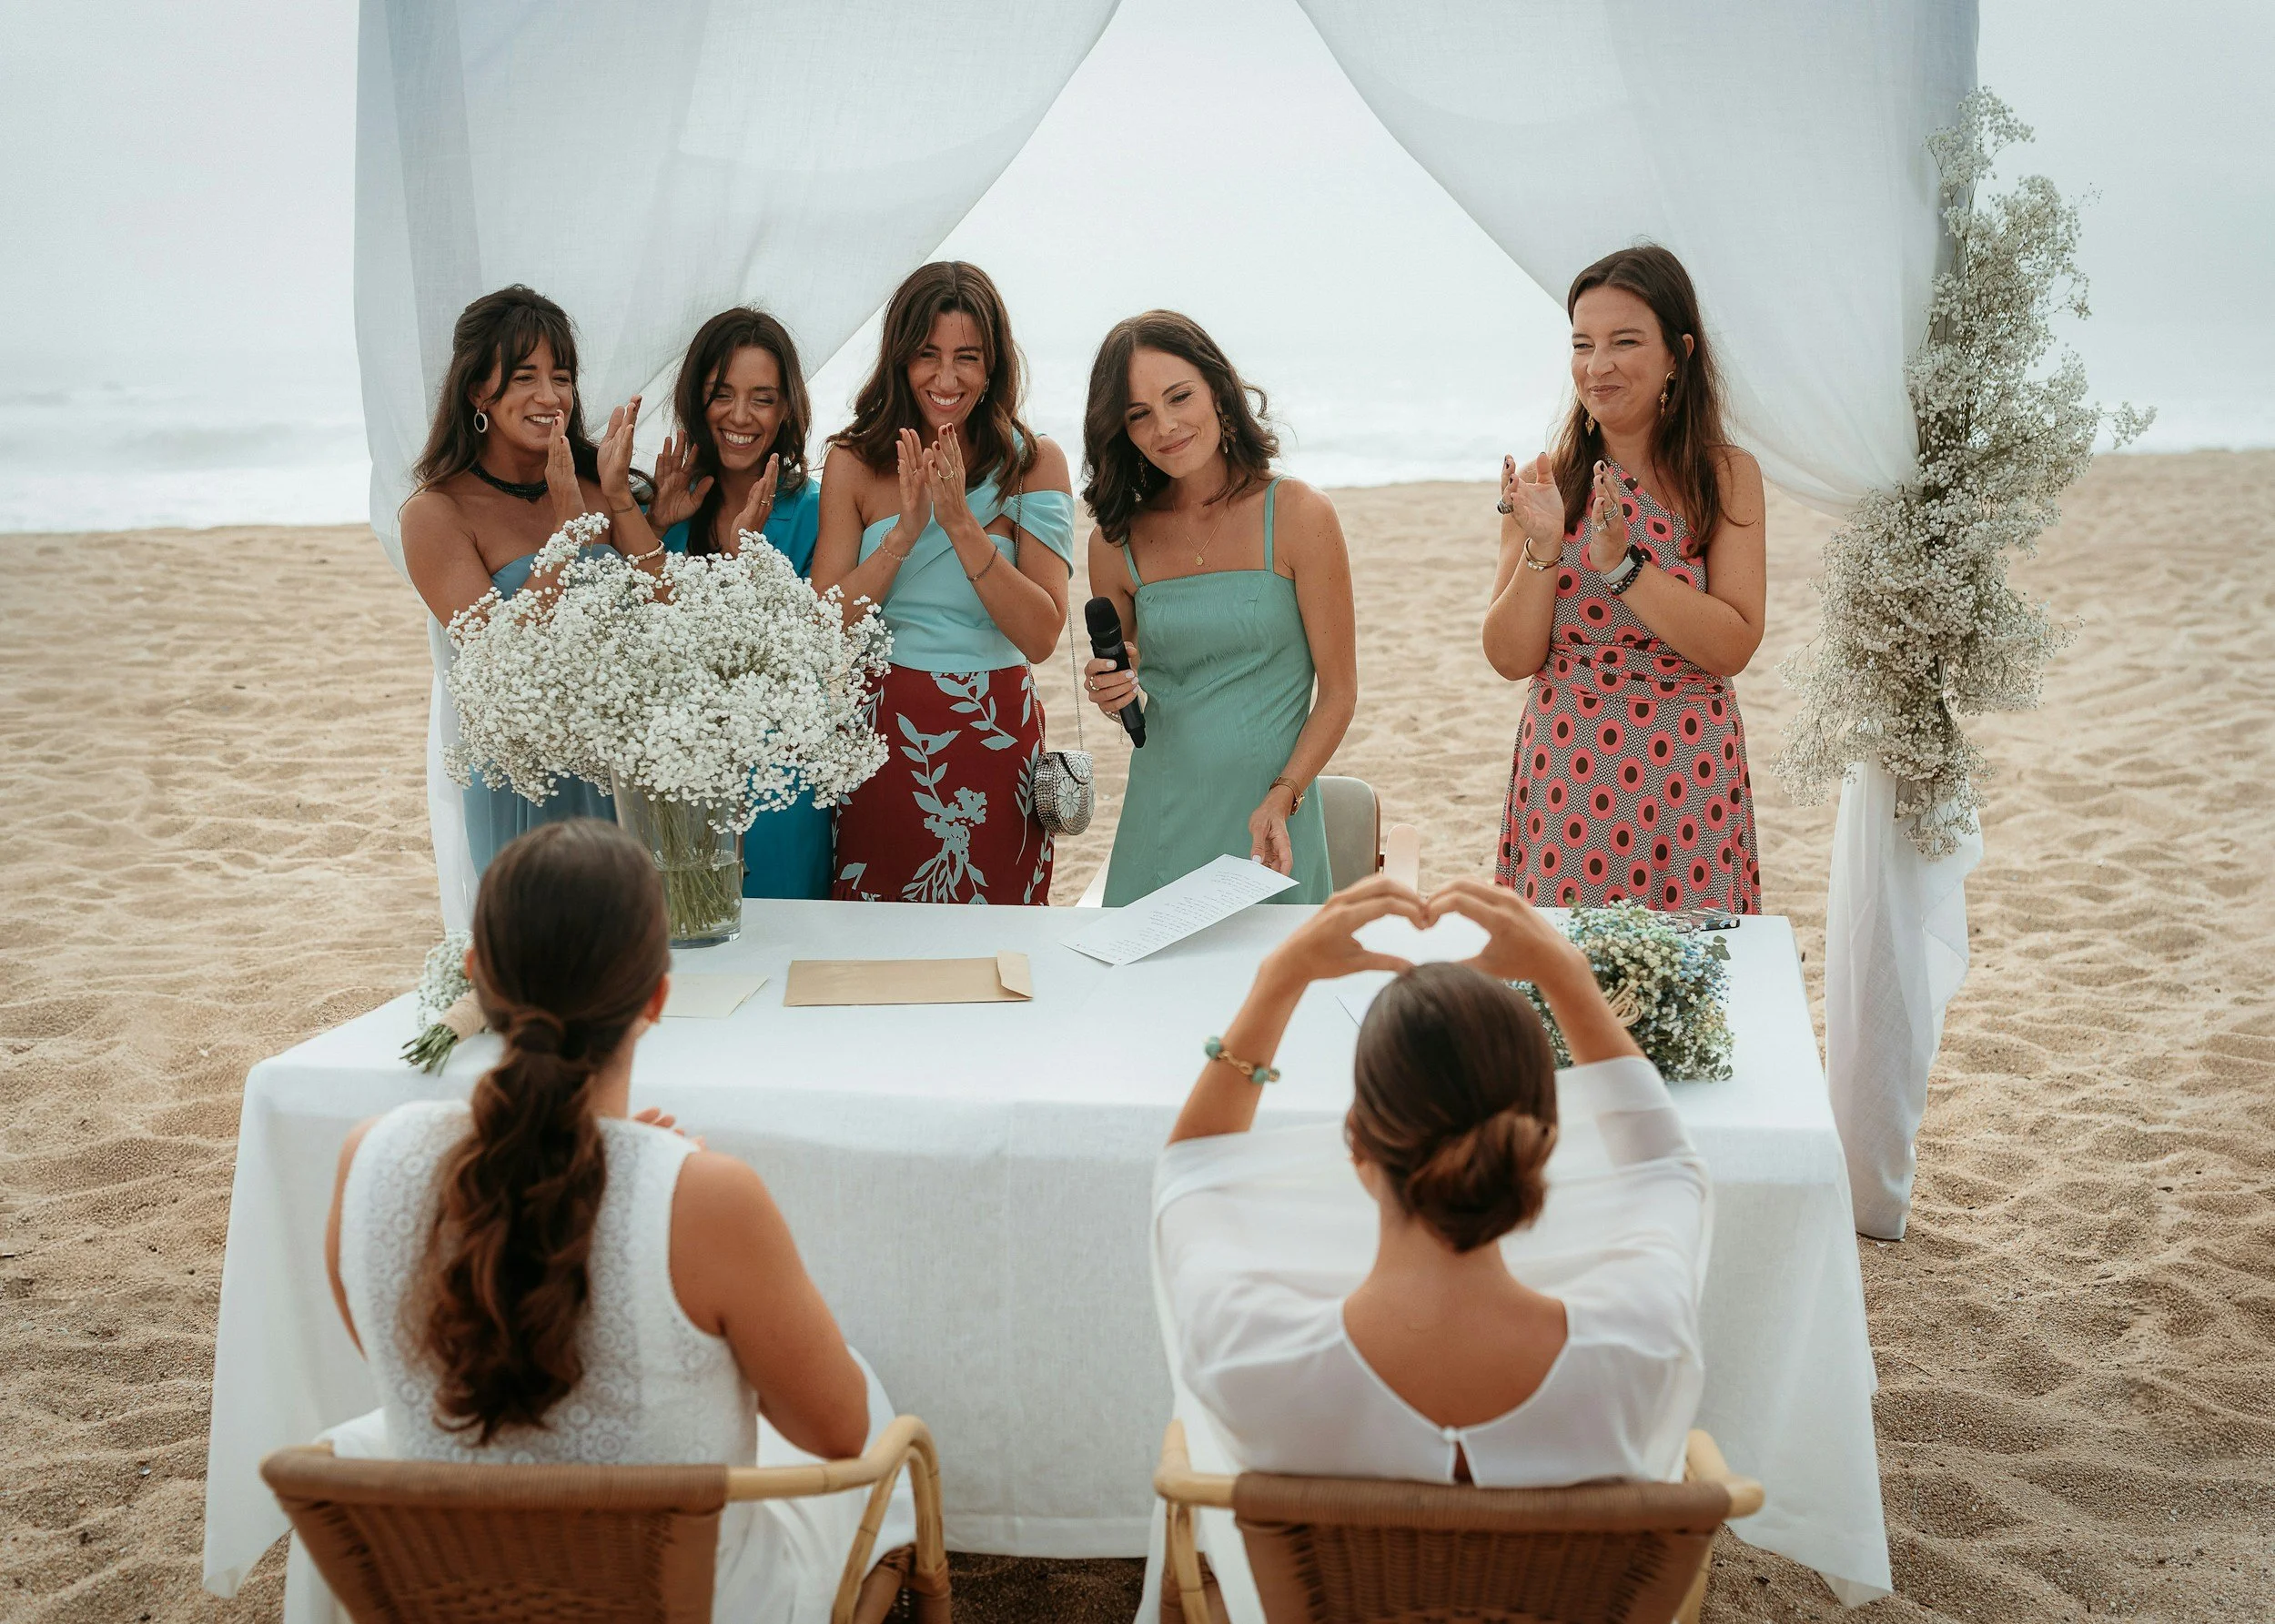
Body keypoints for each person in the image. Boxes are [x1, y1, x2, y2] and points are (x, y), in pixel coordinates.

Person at [318, 820, 915, 1622]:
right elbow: (842, 1436)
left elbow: (414, 1360)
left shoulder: (369, 1157)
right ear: (658, 996)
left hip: (456, 1588)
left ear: (474, 977)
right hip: (682, 1602)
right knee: (868, 1389)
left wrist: (638, 1174)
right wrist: (662, 1188)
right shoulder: (706, 1200)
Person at [1155, 875, 1708, 1492]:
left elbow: (1192, 1172)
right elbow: (1665, 1165)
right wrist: (1567, 975)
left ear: (1357, 1140)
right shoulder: (1640, 1340)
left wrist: (1279, 978)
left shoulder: (1249, 1352)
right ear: (1540, 1139)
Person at [1481, 245, 1764, 912]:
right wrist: (1545, 546)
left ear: (1678, 352)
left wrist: (1623, 566)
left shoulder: (1725, 476)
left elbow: (1733, 644)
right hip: (1569, 771)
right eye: (1583, 343)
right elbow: (1508, 655)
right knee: (1567, 999)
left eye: (1624, 341)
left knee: (1686, 999)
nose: (1596, 365)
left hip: (1688, 774)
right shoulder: (1544, 486)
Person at [812, 262, 1075, 905]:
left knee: (997, 943)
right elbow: (823, 626)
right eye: (928, 355)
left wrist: (960, 521)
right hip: (882, 732)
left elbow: (1041, 634)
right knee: (875, 945)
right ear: (900, 358)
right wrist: (905, 532)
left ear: (993, 367)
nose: (947, 378)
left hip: (997, 734)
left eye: (967, 357)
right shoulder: (851, 460)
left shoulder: (1034, 464)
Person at [1078, 313, 1356, 905]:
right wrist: (1109, 689)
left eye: (1179, 396)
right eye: (1139, 415)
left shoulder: (1301, 515)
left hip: (1272, 822)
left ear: (1218, 388)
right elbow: (1123, 679)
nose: (1166, 426)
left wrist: (1285, 794)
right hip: (1159, 822)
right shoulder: (1114, 543)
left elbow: (1339, 693)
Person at [400, 286, 669, 875]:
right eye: (524, 377)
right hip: (522, 776)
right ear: (479, 391)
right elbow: (497, 659)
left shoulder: (607, 487)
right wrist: (566, 535)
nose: (550, 396)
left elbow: (667, 616)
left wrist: (626, 504)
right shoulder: (436, 514)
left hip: (622, 768)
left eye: (562, 377)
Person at [647, 306, 834, 898]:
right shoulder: (670, 509)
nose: (740, 415)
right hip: (679, 776)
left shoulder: (811, 512)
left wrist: (740, 560)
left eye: (762, 397)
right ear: (696, 398)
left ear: (786, 410)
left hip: (780, 781)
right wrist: (649, 524)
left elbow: (806, 655)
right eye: (721, 393)